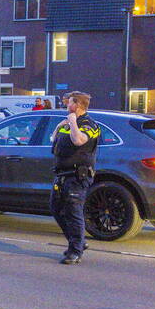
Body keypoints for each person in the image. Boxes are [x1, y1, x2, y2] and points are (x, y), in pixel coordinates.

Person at [50, 91, 100, 264]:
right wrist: (59, 127)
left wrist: (72, 122)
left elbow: (79, 141)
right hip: (61, 175)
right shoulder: (69, 123)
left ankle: (75, 251)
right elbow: (53, 141)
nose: (66, 106)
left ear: (77, 105)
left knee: (73, 212)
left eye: (69, 103)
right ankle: (77, 240)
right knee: (56, 209)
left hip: (77, 176)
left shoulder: (89, 125)